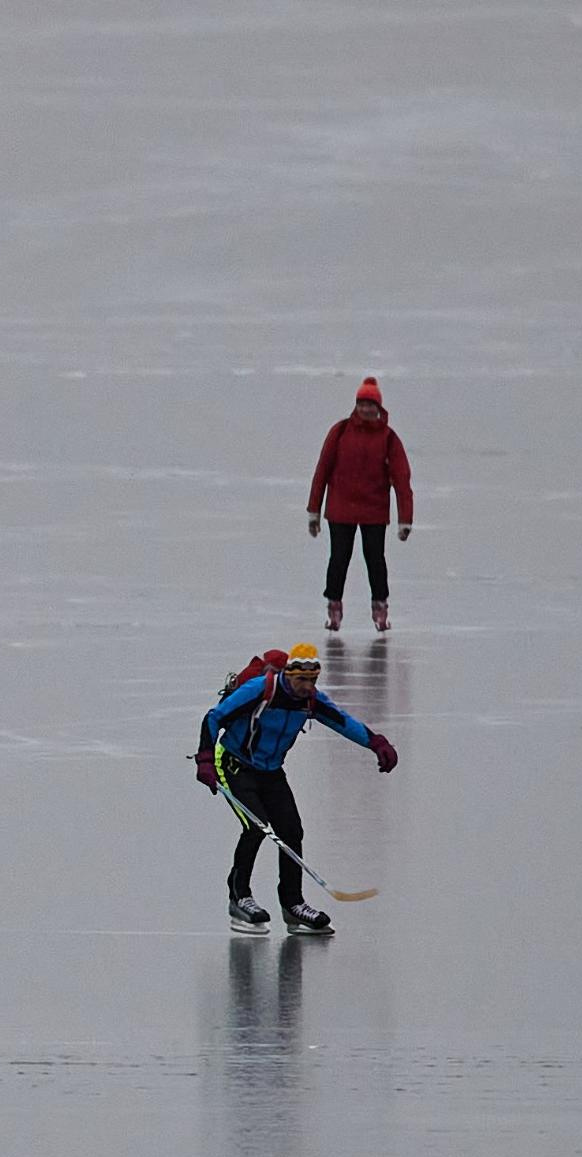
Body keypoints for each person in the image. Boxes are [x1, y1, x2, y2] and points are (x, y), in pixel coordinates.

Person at [195, 642, 397, 936]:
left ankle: (293, 905)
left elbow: (343, 722)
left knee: (291, 831)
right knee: (256, 827)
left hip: (270, 771)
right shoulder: (260, 690)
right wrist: (204, 760)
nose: (306, 686)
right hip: (233, 764)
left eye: (312, 680)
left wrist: (376, 743)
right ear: (288, 674)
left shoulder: (310, 701)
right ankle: (239, 897)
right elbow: (214, 718)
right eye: (301, 679)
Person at [306, 378, 414, 632]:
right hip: (340, 509)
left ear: (378, 407)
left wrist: (405, 519)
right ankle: (334, 608)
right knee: (339, 559)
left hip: (374, 511)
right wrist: (314, 512)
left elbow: (402, 479)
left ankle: (380, 608)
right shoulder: (340, 431)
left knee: (375, 559)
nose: (366, 409)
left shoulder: (389, 439)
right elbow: (322, 470)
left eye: (371, 404)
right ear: (356, 405)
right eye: (362, 404)